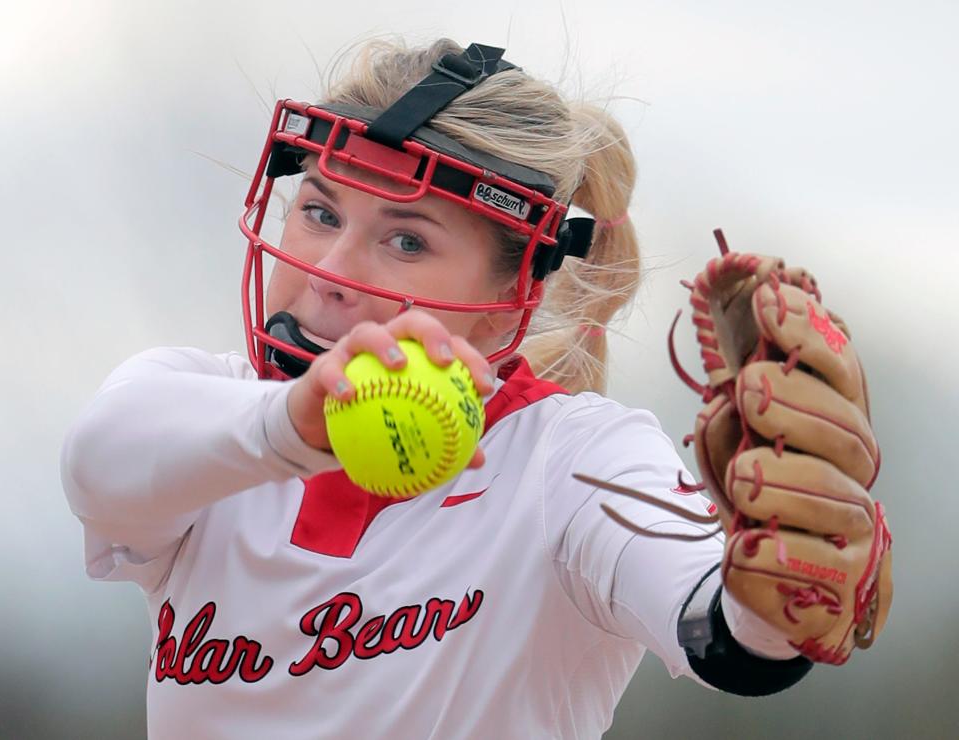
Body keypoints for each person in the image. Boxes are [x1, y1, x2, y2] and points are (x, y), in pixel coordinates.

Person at [61, 39, 868, 739]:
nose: (334, 272)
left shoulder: (570, 458)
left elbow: (721, 630)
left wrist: (778, 597)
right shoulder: (214, 417)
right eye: (319, 211)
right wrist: (295, 427)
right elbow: (99, 461)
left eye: (406, 240)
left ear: (509, 299)